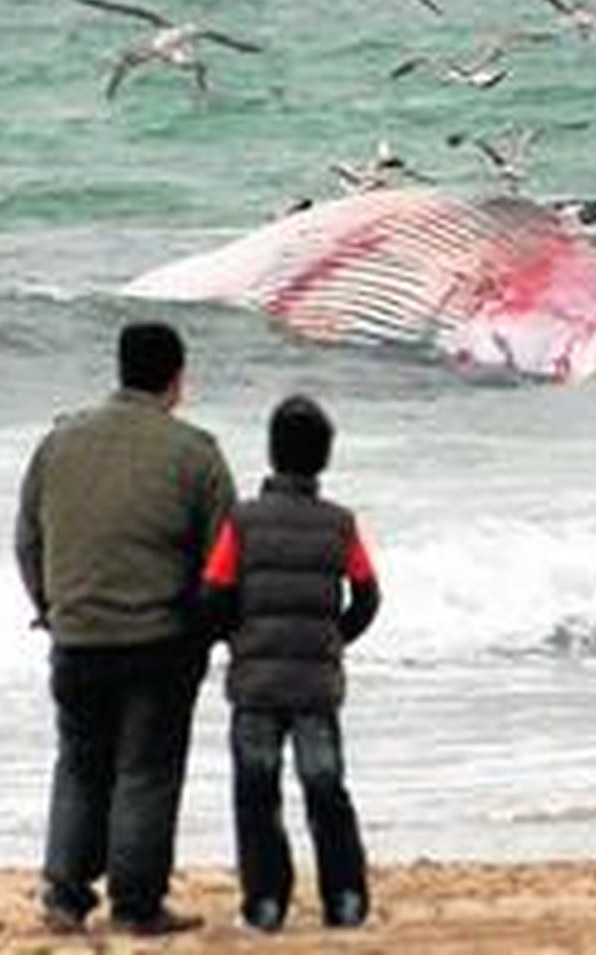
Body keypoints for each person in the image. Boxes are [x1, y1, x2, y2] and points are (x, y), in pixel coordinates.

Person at [14, 321, 237, 936]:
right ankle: (137, 905)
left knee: (80, 763)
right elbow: (223, 557)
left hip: (77, 637)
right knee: (147, 770)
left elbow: (28, 539)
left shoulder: (58, 443)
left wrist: (50, 607)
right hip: (160, 640)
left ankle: (65, 895)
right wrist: (209, 630)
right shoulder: (195, 452)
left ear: (120, 369)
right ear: (177, 379)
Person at [200, 393, 381, 933]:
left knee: (257, 795)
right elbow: (368, 597)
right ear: (324, 458)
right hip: (315, 686)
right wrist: (333, 639)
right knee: (326, 789)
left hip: (255, 683)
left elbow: (213, 594)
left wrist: (236, 638)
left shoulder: (243, 523)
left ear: (272, 453)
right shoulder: (340, 525)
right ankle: (345, 899)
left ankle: (266, 904)